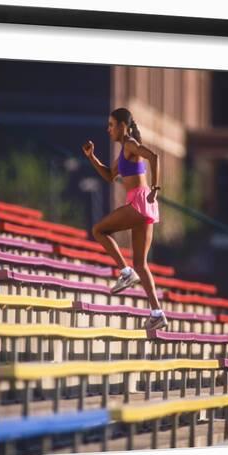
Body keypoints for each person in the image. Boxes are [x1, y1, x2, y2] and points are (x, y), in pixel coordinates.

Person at [81, 107, 168, 330]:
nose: (108, 129)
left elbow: (154, 156)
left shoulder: (129, 144)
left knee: (99, 230)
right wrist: (92, 157)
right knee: (141, 263)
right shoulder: (122, 154)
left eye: (111, 125)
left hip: (139, 202)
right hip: (145, 207)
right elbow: (110, 176)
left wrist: (156, 187)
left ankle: (125, 272)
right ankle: (157, 313)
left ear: (122, 126)